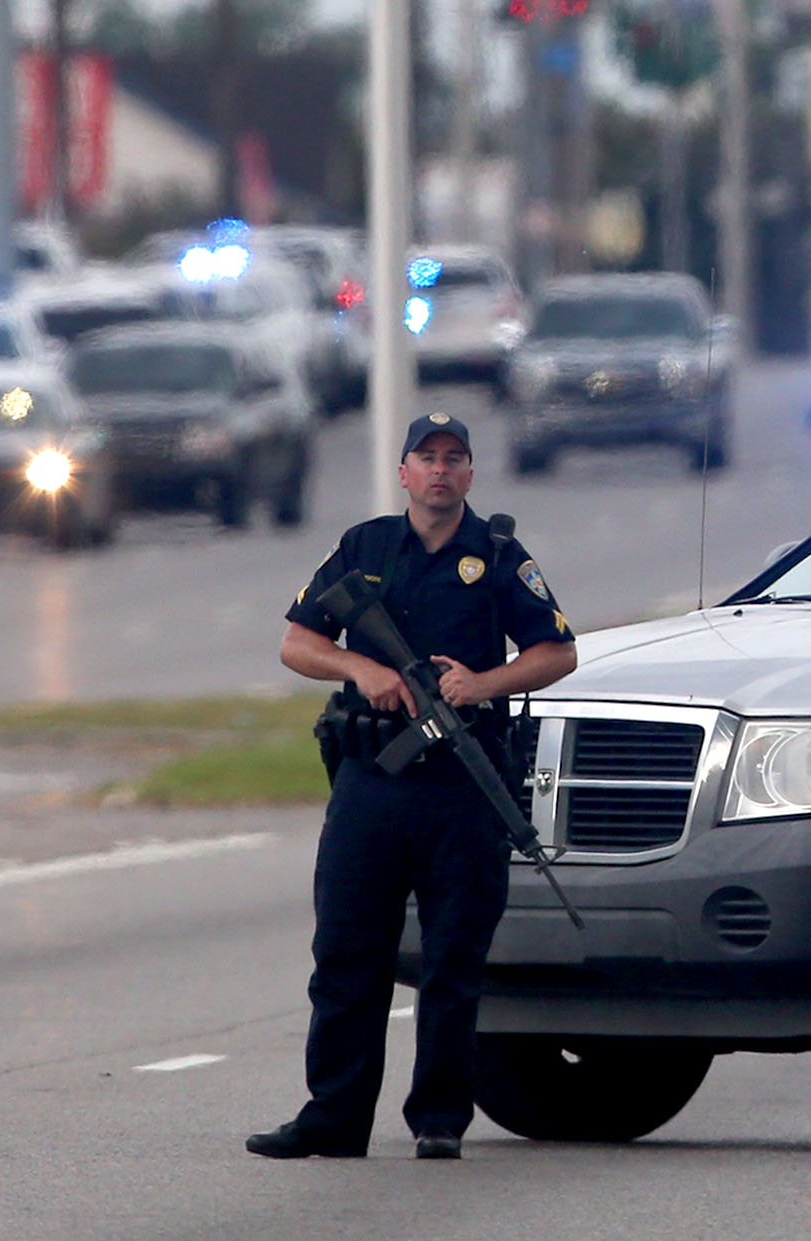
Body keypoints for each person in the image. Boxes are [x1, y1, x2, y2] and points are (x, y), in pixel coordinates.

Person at [247, 413, 578, 1161]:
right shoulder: (364, 547)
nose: (438, 471)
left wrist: (481, 683)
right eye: (425, 458)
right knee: (345, 949)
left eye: (453, 458)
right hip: (372, 780)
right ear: (403, 472)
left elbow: (558, 651)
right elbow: (297, 641)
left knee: (454, 957)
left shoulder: (496, 555)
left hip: (466, 781)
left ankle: (439, 1118)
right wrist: (361, 669)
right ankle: (333, 1114)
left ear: (469, 473)